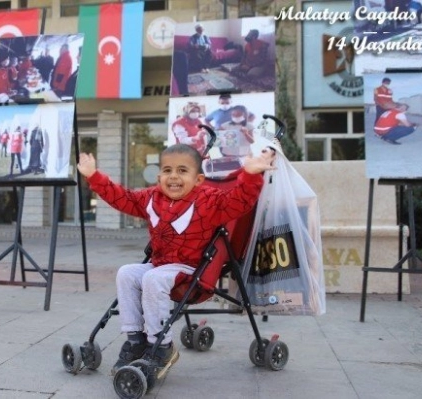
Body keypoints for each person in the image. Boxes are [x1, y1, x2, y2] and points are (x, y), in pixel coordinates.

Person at [76, 144, 276, 374]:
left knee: (152, 278)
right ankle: (135, 340)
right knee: (127, 273)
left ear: (199, 179)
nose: (173, 176)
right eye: (167, 170)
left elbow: (239, 202)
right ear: (159, 175)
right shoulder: (152, 197)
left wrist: (250, 175)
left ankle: (161, 347)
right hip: (161, 266)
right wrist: (94, 176)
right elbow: (123, 198)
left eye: (182, 171)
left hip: (191, 269)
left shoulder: (209, 200)